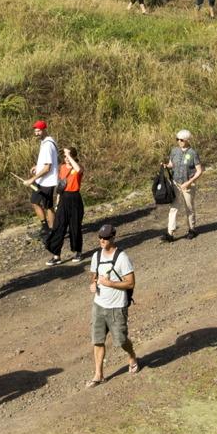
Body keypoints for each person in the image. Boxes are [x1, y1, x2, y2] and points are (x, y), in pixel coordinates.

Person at [86, 223, 139, 385]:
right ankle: (98, 374)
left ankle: (132, 356)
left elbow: (130, 283)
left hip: (117, 307)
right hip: (99, 305)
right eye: (100, 237)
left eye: (106, 238)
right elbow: (93, 276)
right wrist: (93, 284)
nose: (102, 240)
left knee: (121, 340)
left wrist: (111, 284)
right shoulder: (97, 256)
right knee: (98, 340)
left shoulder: (122, 258)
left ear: (113, 237)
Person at [45, 143, 86, 264]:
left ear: (73, 155)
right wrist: (57, 202)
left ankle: (77, 251)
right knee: (59, 227)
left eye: (68, 155)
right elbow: (60, 186)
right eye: (64, 155)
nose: (66, 157)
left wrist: (70, 157)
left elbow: (78, 170)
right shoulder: (61, 168)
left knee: (75, 227)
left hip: (75, 199)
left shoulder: (78, 167)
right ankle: (56, 255)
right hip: (64, 198)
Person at [165, 129, 202, 240]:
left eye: (181, 140)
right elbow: (172, 164)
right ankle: (170, 233)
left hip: (189, 185)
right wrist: (166, 166)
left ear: (187, 140)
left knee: (189, 208)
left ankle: (192, 229)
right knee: (173, 208)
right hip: (176, 183)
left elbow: (199, 171)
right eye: (177, 139)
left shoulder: (193, 153)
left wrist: (189, 182)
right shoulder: (174, 151)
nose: (179, 141)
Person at [27, 121, 60, 237]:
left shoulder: (48, 145)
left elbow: (47, 168)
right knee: (34, 202)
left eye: (39, 131)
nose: (36, 133)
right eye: (35, 131)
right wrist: (37, 166)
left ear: (44, 130)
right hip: (41, 181)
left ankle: (53, 230)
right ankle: (45, 227)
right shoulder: (45, 142)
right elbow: (46, 162)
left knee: (48, 206)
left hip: (47, 182)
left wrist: (32, 179)